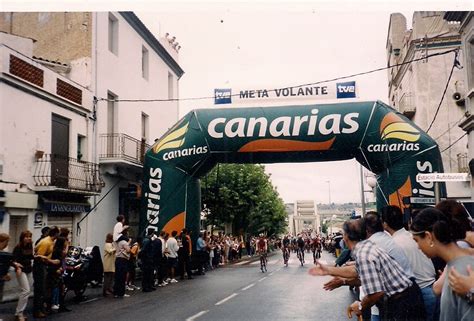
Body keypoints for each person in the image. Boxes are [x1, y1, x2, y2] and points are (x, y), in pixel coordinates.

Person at [410, 207, 474, 321]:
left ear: (429, 237)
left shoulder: (461, 272)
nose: (418, 247)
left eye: (417, 240)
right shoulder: (456, 267)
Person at [381, 205, 437, 321]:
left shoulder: (393, 245)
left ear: (385, 224)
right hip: (433, 287)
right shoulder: (411, 235)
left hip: (420, 291)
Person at [33, 226, 59, 318]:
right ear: (55, 234)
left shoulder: (51, 241)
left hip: (44, 266)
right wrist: (52, 261)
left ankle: (41, 309)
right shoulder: (46, 242)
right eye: (58, 233)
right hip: (39, 267)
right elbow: (39, 257)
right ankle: (37, 311)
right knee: (40, 289)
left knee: (44, 289)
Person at [12, 230, 34, 321]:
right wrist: (17, 266)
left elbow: (31, 257)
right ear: (22, 238)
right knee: (26, 291)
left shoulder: (30, 246)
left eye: (30, 236)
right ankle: (19, 313)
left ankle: (20, 312)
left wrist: (38, 256)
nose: (28, 238)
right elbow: (13, 260)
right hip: (21, 270)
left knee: (27, 292)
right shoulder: (18, 247)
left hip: (29, 269)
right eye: (26, 237)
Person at [47, 237, 67, 312]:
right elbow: (60, 260)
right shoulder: (57, 251)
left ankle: (57, 303)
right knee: (56, 287)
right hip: (55, 270)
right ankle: (54, 303)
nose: (66, 243)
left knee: (60, 287)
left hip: (59, 269)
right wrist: (58, 269)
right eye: (65, 242)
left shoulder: (59, 250)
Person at [113, 225, 131, 298]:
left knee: (117, 277)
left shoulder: (116, 242)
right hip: (123, 260)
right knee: (122, 277)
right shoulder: (124, 242)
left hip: (117, 259)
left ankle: (116, 292)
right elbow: (128, 250)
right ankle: (121, 293)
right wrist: (129, 242)